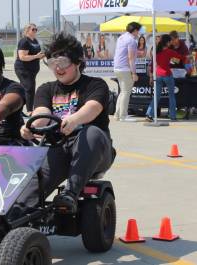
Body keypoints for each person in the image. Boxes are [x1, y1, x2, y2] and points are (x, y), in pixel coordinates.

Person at [19, 32, 115, 213]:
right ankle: (13, 218)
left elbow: (92, 108)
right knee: (28, 193)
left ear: (78, 61)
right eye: (52, 64)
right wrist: (30, 126)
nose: (58, 69)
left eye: (62, 63)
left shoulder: (96, 85)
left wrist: (74, 119)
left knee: (91, 133)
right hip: (60, 148)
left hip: (94, 150)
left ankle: (70, 193)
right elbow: (42, 112)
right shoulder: (46, 89)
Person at [145, 34, 183, 122]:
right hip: (167, 75)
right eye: (170, 41)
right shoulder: (169, 51)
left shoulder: (156, 51)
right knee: (171, 96)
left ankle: (149, 114)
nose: (171, 43)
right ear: (167, 42)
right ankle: (173, 116)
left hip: (157, 75)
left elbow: (152, 65)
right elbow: (181, 58)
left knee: (156, 96)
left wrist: (151, 76)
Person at [113, 22, 141, 122]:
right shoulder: (131, 41)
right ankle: (123, 116)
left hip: (117, 67)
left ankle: (117, 114)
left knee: (122, 92)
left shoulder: (122, 37)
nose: (139, 33)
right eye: (139, 30)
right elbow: (131, 58)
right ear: (135, 31)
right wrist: (134, 73)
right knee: (126, 92)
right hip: (125, 69)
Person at [14, 23, 45, 115]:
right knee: (28, 88)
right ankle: (29, 110)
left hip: (32, 70)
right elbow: (22, 57)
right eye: (33, 29)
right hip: (23, 69)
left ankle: (18, 109)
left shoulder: (35, 41)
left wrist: (42, 55)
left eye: (36, 29)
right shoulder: (24, 41)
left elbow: (37, 55)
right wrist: (36, 56)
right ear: (27, 30)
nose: (35, 31)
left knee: (27, 89)